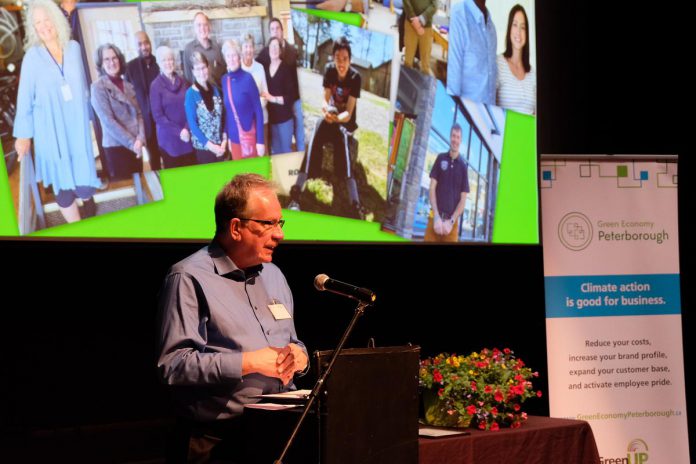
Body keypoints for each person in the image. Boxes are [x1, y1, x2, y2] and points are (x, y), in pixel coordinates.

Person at [157, 173, 308, 462]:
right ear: (236, 227)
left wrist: (299, 357)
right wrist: (248, 362)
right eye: (268, 224)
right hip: (216, 442)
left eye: (280, 223)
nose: (280, 234)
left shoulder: (275, 276)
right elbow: (174, 365)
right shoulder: (188, 277)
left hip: (278, 433)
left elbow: (292, 341)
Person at [14, 0, 99, 223]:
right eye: (37, 22)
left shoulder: (74, 49)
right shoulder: (32, 58)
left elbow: (88, 87)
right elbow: (24, 99)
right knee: (62, 188)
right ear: (33, 28)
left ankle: (89, 203)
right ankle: (76, 226)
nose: (43, 26)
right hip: (50, 131)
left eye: (47, 19)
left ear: (57, 19)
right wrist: (23, 135)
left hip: (77, 129)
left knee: (84, 183)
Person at [288, 37, 362, 216]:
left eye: (344, 58)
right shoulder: (329, 70)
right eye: (338, 58)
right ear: (333, 58)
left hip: (344, 122)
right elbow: (324, 100)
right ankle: (296, 193)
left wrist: (335, 119)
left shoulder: (355, 77)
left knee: (343, 148)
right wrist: (326, 113)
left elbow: (348, 113)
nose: (341, 62)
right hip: (330, 117)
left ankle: (355, 204)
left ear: (349, 60)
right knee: (315, 136)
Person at [90, 44, 145, 181]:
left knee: (140, 187)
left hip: (136, 145)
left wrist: (141, 138)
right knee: (127, 192)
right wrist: (133, 143)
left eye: (114, 58)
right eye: (107, 59)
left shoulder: (128, 84)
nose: (112, 62)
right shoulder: (97, 88)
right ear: (101, 64)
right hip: (117, 148)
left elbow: (139, 114)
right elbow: (108, 121)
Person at [257, 18, 304, 151]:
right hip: (274, 112)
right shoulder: (265, 54)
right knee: (276, 147)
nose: (275, 31)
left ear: (282, 31)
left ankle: (302, 164)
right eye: (272, 29)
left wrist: (274, 98)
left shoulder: (292, 51)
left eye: (277, 28)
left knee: (299, 132)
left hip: (293, 99)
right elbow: (255, 66)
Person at [150, 46, 195, 169]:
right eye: (164, 60)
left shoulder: (184, 82)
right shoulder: (155, 86)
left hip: (187, 136)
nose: (168, 63)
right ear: (159, 63)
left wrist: (186, 129)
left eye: (170, 59)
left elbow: (191, 108)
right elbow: (158, 116)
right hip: (170, 141)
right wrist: (179, 132)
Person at [424, 123, 469, 242]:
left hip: (451, 227)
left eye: (458, 137)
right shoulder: (440, 158)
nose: (455, 140)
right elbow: (432, 188)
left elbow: (463, 200)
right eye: (453, 136)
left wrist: (451, 221)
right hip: (434, 219)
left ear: (461, 140)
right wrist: (437, 217)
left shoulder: (463, 167)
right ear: (450, 137)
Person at [447, 0, 497, 105]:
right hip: (467, 115)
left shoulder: (491, 28)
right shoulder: (459, 15)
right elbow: (453, 84)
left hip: (489, 116)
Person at [221, 39, 265, 159]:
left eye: (234, 55)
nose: (231, 59)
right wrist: (228, 137)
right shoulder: (225, 80)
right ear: (225, 59)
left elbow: (258, 110)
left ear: (239, 56)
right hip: (234, 140)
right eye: (228, 56)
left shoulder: (248, 79)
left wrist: (260, 141)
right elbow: (228, 112)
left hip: (250, 138)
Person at [125, 31, 163, 170]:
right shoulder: (130, 68)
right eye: (140, 44)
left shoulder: (160, 62)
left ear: (150, 43)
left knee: (169, 156)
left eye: (146, 43)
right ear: (136, 46)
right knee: (154, 162)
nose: (144, 47)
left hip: (163, 122)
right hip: (145, 125)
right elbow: (128, 98)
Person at [184, 51, 227, 164]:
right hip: (204, 150)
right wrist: (211, 146)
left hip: (220, 147)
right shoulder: (190, 94)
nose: (201, 72)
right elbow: (193, 126)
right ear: (193, 71)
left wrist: (224, 140)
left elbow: (223, 117)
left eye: (203, 67)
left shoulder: (216, 89)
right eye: (197, 69)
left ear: (208, 67)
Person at [496, 5, 536, 115]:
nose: (518, 32)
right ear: (509, 29)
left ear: (527, 33)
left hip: (528, 131)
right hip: (505, 131)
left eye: (523, 27)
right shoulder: (498, 63)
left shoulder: (533, 73)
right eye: (515, 25)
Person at [263, 38, 295, 155]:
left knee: (285, 151)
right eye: (272, 46)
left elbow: (290, 97)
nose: (274, 49)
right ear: (268, 50)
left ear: (281, 51)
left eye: (277, 46)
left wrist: (273, 98)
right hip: (271, 120)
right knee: (275, 152)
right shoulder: (265, 70)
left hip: (284, 119)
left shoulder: (285, 69)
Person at [241, 34, 269, 153]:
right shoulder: (236, 68)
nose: (248, 50)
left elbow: (265, 94)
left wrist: (254, 108)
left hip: (261, 119)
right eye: (246, 46)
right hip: (245, 123)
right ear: (241, 49)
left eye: (251, 46)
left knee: (263, 154)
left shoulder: (260, 68)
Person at [182, 12, 226, 86]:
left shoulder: (217, 47)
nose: (202, 28)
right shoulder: (188, 49)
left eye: (205, 24)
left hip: (217, 92)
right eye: (199, 25)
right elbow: (188, 76)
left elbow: (223, 71)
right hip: (199, 93)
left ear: (209, 27)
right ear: (195, 28)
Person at [402, 0, 437, 75]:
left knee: (425, 64)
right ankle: (405, 84)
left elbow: (435, 6)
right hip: (410, 23)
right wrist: (413, 19)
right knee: (408, 61)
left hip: (426, 26)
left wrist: (421, 19)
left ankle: (425, 85)